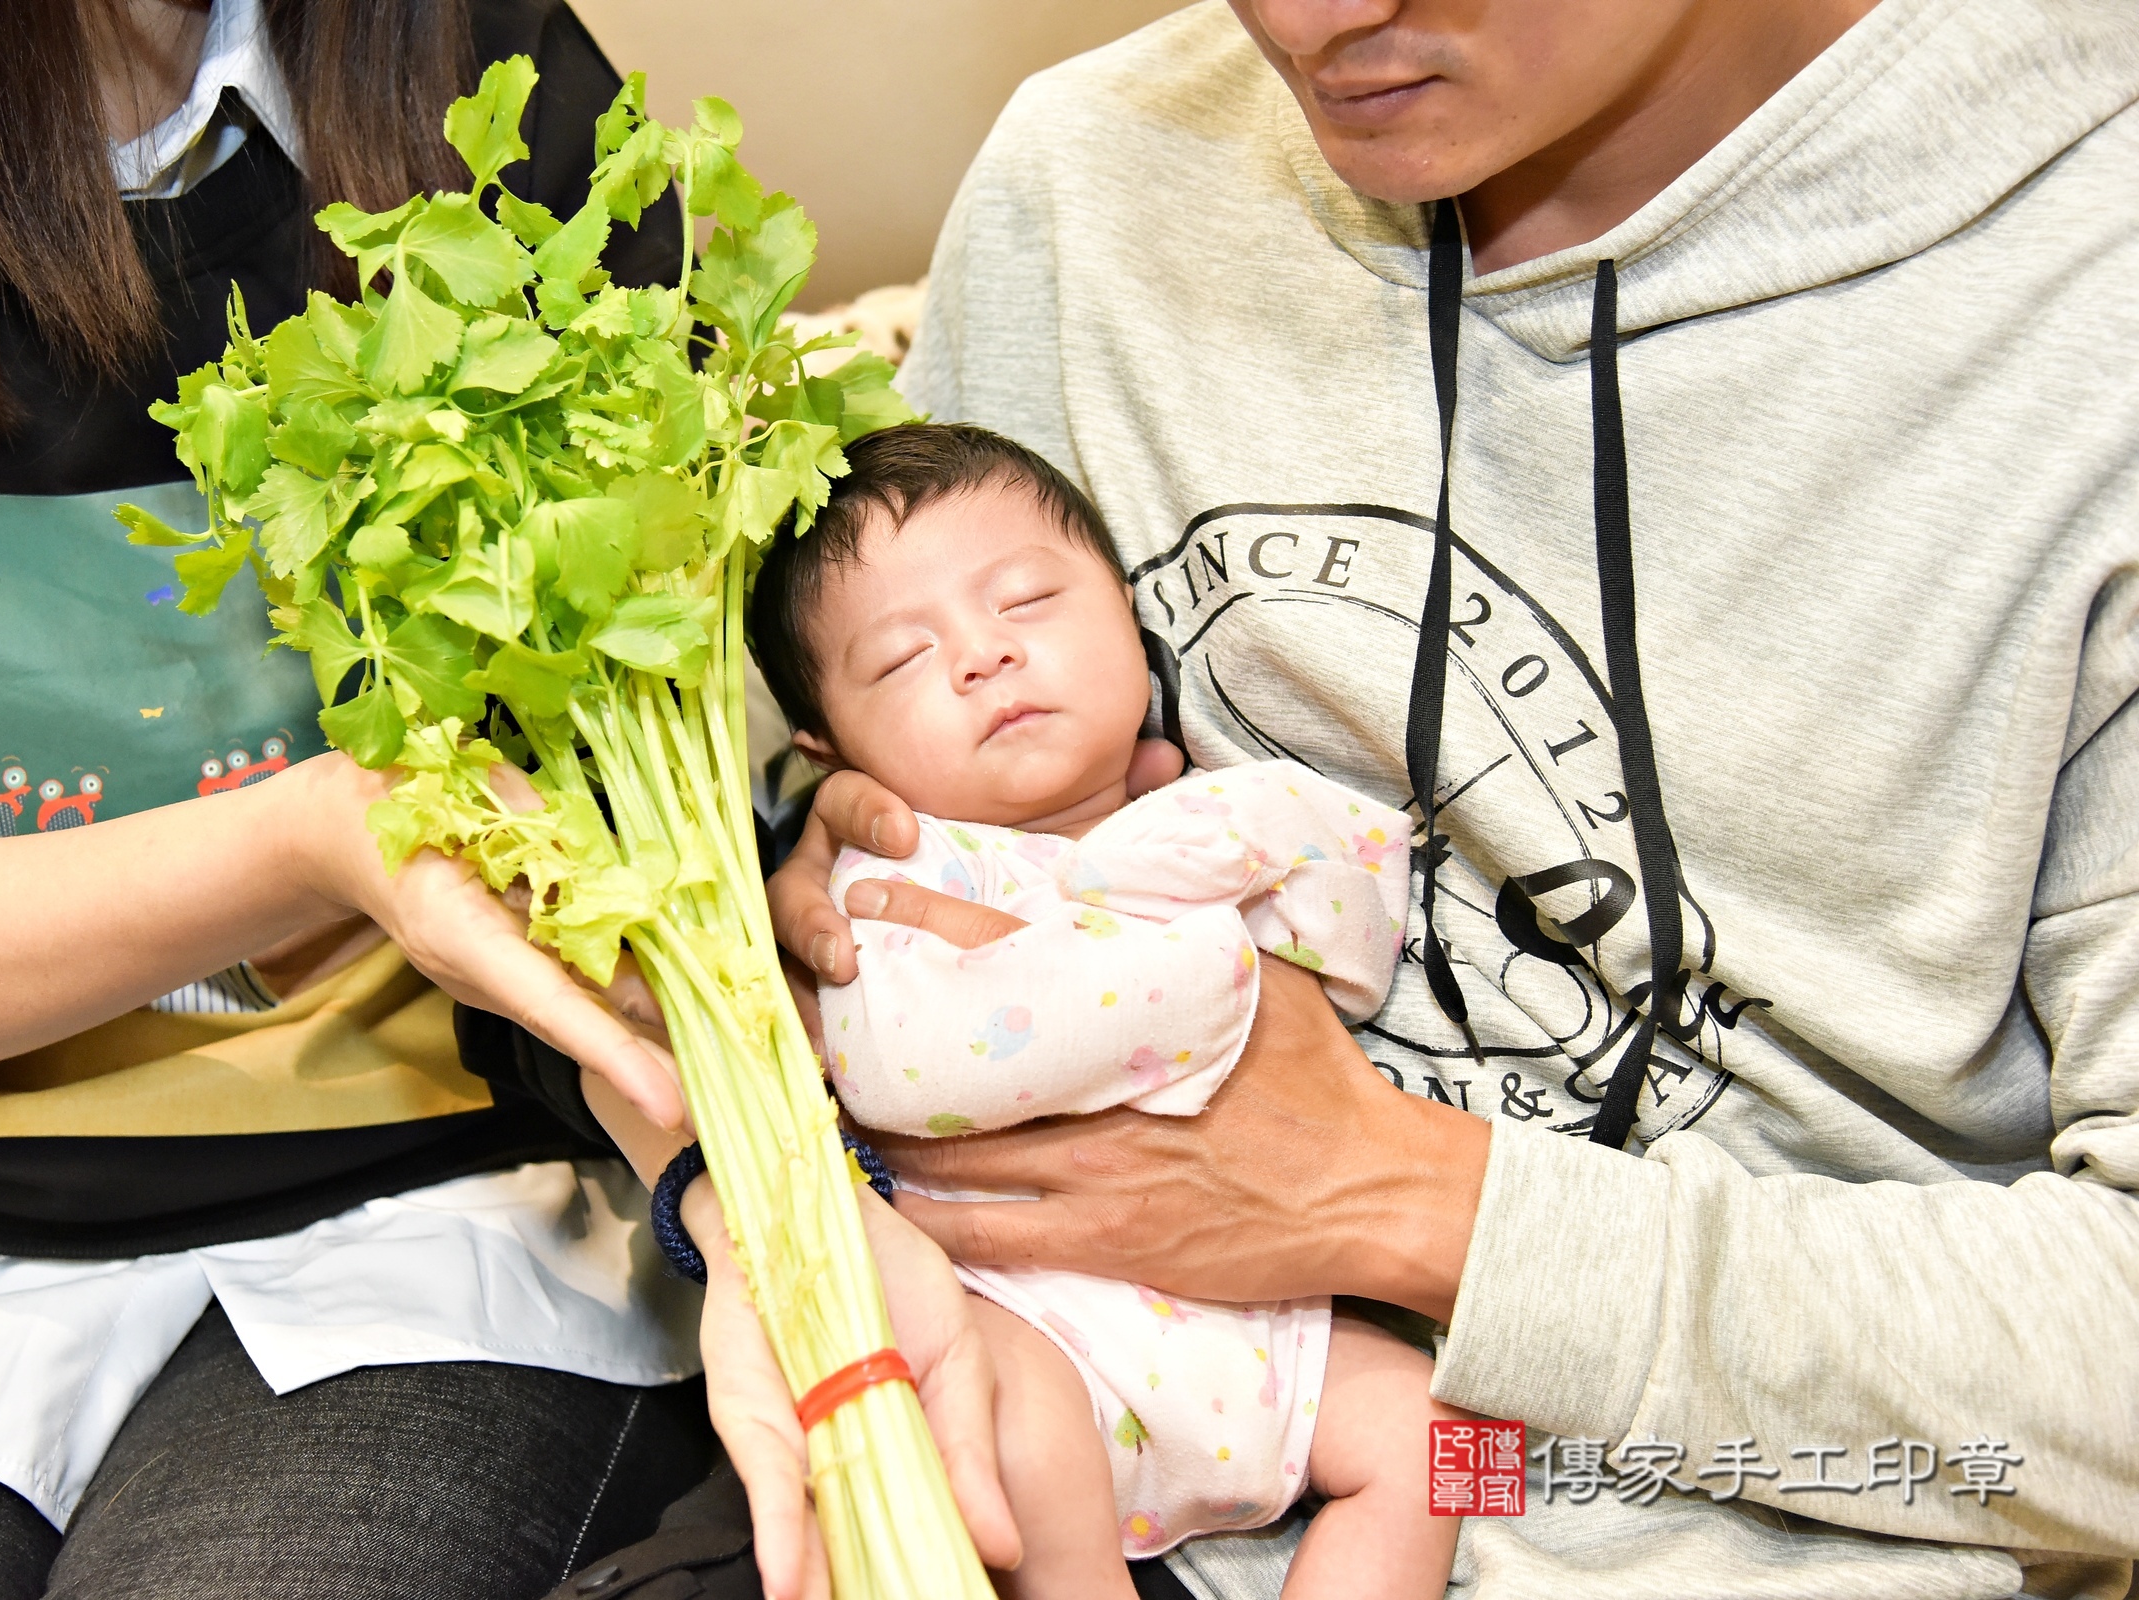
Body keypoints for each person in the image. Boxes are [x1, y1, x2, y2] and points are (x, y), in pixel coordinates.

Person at [746, 0, 2139, 1596]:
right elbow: (841, 722)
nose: (1299, 16)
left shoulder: (2094, 303)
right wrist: (796, 914)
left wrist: (1407, 1203)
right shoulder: (1096, 174)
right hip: (1055, 1452)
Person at [0, 2, 738, 1595]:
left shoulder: (487, 74)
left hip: (423, 1211)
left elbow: (609, 807)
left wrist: (746, 1203)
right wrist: (299, 840)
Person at [744, 421, 1460, 1599]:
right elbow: (904, 1069)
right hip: (1052, 1330)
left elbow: (1360, 932)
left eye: (1027, 598)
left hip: (1271, 1317)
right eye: (901, 661)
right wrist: (1208, 979)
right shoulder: (898, 883)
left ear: (1131, 614)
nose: (983, 656)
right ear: (829, 752)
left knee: (1460, 1439)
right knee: (1009, 1441)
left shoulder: (1218, 810)